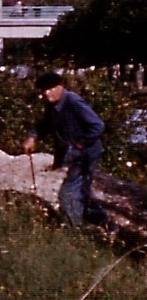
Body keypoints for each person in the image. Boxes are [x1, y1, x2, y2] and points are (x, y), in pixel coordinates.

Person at [22, 71, 106, 228]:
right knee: (81, 191)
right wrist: (33, 137)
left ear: (60, 87)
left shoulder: (74, 102)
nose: (46, 93)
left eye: (50, 89)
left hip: (85, 154)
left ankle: (73, 229)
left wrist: (80, 144)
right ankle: (103, 222)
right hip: (71, 154)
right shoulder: (52, 104)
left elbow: (98, 126)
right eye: (43, 90)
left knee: (68, 193)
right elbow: (46, 124)